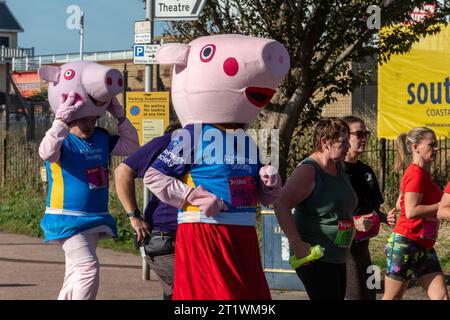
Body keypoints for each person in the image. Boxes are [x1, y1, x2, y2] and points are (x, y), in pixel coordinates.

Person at [143, 34, 290, 300]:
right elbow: (154, 176)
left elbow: (262, 197)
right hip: (205, 230)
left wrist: (269, 185)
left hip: (243, 231)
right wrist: (193, 196)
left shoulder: (246, 140)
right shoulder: (193, 134)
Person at [38, 61, 139, 300]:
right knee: (87, 268)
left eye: (94, 120)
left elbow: (132, 146)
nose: (91, 125)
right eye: (85, 120)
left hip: (94, 216)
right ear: (72, 117)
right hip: (67, 217)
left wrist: (120, 116)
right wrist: (59, 122)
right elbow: (46, 152)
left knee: (74, 272)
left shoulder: (102, 137)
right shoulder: (62, 141)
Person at [274, 117, 358, 300]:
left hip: (337, 253)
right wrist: (297, 243)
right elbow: (281, 204)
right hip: (314, 254)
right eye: (343, 142)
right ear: (325, 142)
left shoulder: (339, 166)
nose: (348, 147)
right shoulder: (309, 170)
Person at [114, 120, 181, 300]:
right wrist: (134, 216)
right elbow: (122, 172)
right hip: (165, 236)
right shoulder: (170, 142)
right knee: (187, 291)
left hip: (190, 234)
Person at [383, 127, 448, 300]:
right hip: (406, 243)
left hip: (424, 245)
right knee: (392, 298)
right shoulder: (415, 174)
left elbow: (400, 203)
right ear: (415, 147)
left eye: (437, 145)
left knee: (441, 296)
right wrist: (442, 205)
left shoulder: (422, 175)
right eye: (432, 145)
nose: (437, 149)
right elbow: (411, 212)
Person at [341, 115, 396, 300]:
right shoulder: (335, 171)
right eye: (359, 133)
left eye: (366, 133)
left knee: (370, 294)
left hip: (364, 245)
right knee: (355, 294)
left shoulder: (366, 171)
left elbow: (370, 208)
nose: (364, 137)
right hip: (343, 244)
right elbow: (327, 211)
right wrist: (352, 223)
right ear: (344, 136)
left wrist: (384, 218)